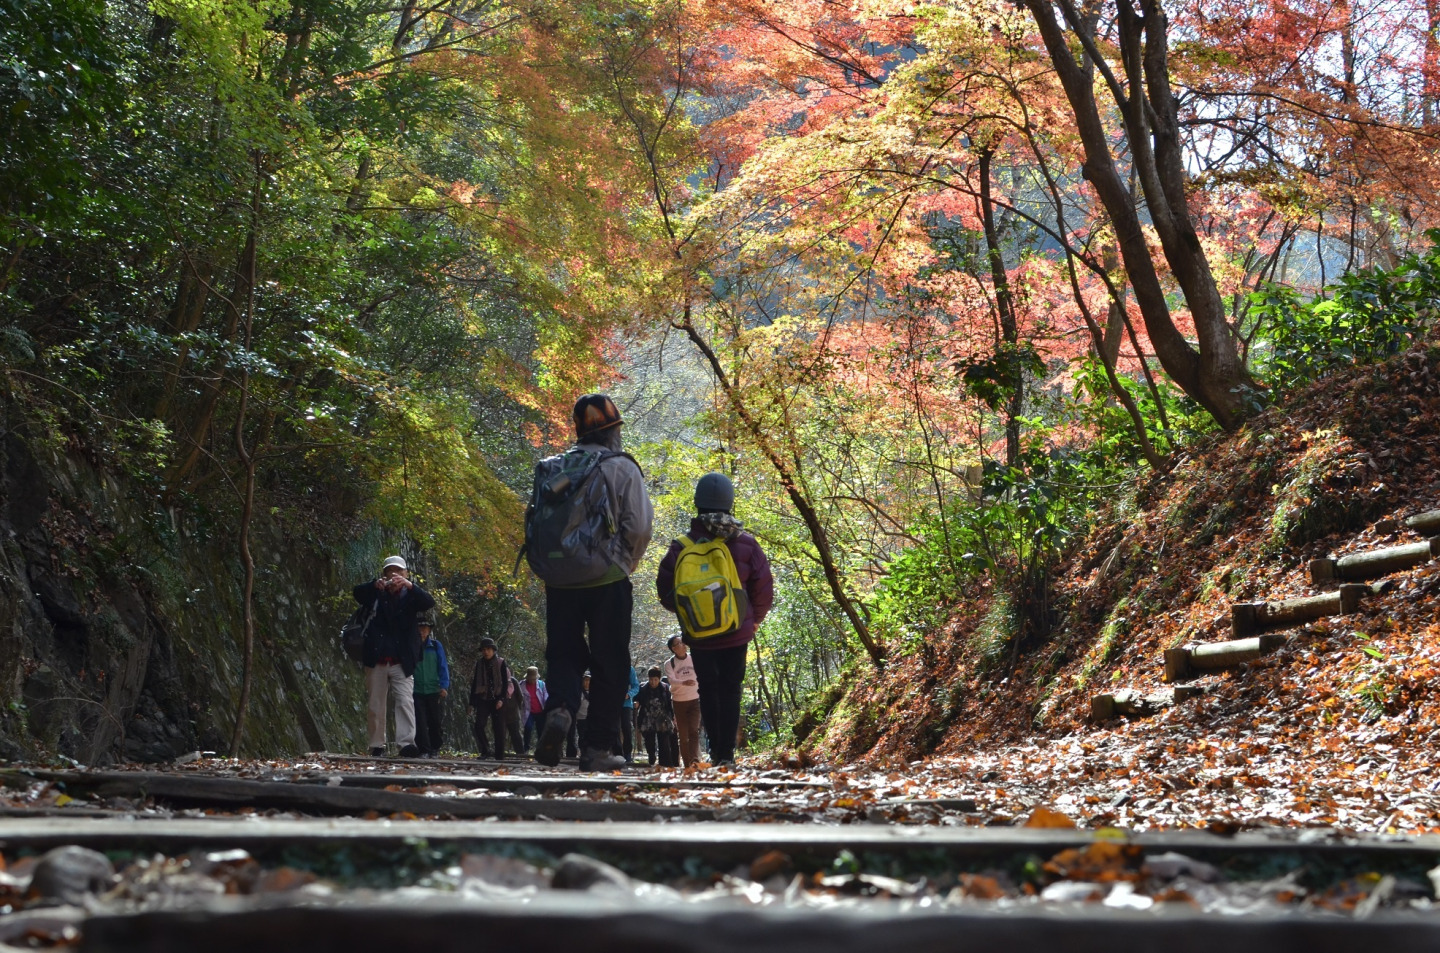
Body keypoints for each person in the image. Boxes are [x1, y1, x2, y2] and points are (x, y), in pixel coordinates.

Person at [533, 394, 653, 771]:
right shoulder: (621, 467)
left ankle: (561, 711)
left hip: (560, 580)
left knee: (563, 654)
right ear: (613, 431)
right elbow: (640, 527)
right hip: (607, 578)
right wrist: (623, 562)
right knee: (610, 662)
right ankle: (598, 747)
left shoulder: (553, 467)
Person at [656, 472, 774, 768]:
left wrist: (691, 614)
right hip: (737, 631)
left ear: (697, 505)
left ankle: (714, 749)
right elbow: (763, 587)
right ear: (730, 503)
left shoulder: (681, 546)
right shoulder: (746, 543)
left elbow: (667, 592)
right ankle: (726, 753)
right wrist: (754, 619)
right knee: (731, 688)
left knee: (708, 689)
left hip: (700, 634)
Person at [352, 556, 435, 758]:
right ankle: (376, 745)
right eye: (390, 571)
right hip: (376, 657)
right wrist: (374, 585)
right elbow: (357, 593)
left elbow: (429, 602)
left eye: (399, 571)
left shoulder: (411, 596)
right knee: (375, 704)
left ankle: (406, 744)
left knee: (405, 701)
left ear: (406, 574)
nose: (394, 575)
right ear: (384, 574)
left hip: (402, 660)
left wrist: (410, 586)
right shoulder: (376, 594)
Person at [412, 616, 450, 758]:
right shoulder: (412, 645)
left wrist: (444, 686)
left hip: (434, 689)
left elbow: (442, 666)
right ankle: (424, 749)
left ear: (429, 631)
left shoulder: (435, 645)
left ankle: (435, 748)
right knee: (420, 721)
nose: (422, 632)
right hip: (416, 689)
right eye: (420, 629)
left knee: (435, 721)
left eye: (425, 629)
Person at [469, 638, 513, 759]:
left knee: (499, 728)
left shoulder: (501, 662)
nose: (486, 652)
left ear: (493, 650)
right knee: (478, 725)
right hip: (483, 698)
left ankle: (499, 755)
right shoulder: (479, 664)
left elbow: (505, 683)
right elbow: (475, 684)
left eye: (488, 649)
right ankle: (485, 750)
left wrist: (501, 699)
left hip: (498, 698)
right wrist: (471, 703)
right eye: (483, 650)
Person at [663, 634, 702, 767]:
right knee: (684, 735)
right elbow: (671, 680)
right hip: (679, 702)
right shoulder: (669, 663)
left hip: (695, 699)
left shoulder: (694, 658)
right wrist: (683, 682)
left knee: (694, 731)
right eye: (680, 643)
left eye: (684, 642)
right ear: (673, 648)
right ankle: (687, 764)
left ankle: (695, 761)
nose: (684, 644)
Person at [634, 667, 678, 767]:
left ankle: (665, 764)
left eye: (655, 680)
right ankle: (651, 755)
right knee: (649, 742)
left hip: (662, 718)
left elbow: (669, 704)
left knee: (664, 742)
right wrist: (637, 703)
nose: (653, 682)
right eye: (651, 679)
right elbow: (637, 698)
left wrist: (672, 717)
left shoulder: (665, 688)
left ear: (659, 679)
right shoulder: (643, 688)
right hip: (647, 718)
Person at [520, 666, 548, 752]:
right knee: (528, 728)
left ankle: (540, 750)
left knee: (541, 731)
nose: (532, 680)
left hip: (540, 711)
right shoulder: (521, 685)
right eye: (530, 678)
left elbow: (546, 696)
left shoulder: (541, 684)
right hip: (529, 712)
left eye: (534, 679)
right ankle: (526, 749)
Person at [567, 672, 591, 759]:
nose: (587, 682)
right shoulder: (578, 692)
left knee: (587, 736)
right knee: (578, 736)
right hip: (579, 717)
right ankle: (575, 754)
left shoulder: (595, 692)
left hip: (589, 718)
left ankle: (587, 754)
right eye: (585, 680)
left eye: (589, 680)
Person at [502, 671, 526, 754]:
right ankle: (500, 753)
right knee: (501, 735)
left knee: (515, 734)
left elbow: (520, 696)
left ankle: (521, 753)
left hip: (513, 713)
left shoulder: (513, 681)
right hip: (500, 713)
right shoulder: (496, 681)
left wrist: (519, 708)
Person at [620, 666, 639, 762]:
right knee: (612, 728)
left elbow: (636, 686)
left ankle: (627, 754)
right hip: (611, 703)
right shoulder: (608, 666)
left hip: (626, 704)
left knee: (626, 728)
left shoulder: (629, 669)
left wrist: (629, 694)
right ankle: (615, 752)